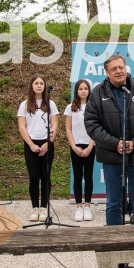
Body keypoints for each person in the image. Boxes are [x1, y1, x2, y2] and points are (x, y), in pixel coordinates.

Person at [85, 54, 134, 225]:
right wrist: (114, 143)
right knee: (113, 203)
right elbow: (91, 124)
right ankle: (114, 243)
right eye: (114, 69)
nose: (118, 71)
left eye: (121, 67)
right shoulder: (97, 93)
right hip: (112, 157)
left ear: (125, 68)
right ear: (107, 72)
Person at [17, 74, 59, 222]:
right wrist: (31, 145)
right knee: (34, 177)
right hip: (31, 143)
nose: (39, 85)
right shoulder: (25, 104)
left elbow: (54, 124)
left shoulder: (51, 103)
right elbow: (22, 127)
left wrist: (49, 142)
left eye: (42, 83)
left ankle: (44, 207)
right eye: (36, 83)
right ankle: (35, 207)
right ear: (32, 86)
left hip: (47, 143)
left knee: (46, 177)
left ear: (45, 86)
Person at [64, 79, 96, 222]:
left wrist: (90, 146)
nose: (83, 91)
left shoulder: (94, 107)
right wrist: (73, 146)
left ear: (89, 91)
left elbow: (96, 129)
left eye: (85, 88)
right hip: (76, 146)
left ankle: (87, 207)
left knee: (88, 176)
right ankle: (78, 208)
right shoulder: (70, 107)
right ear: (76, 91)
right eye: (80, 88)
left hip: (90, 146)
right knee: (77, 176)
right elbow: (68, 128)